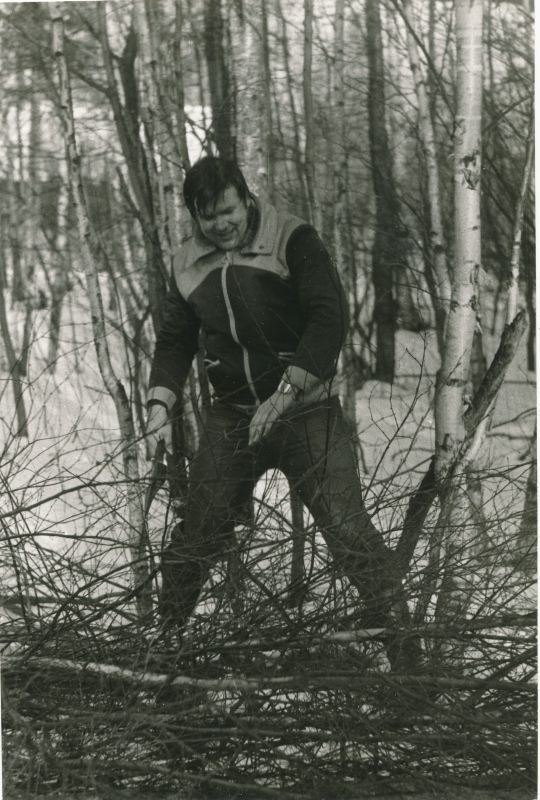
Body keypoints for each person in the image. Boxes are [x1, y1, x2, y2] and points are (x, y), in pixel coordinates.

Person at [146, 156, 415, 663]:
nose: (221, 225)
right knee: (199, 529)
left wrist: (285, 393)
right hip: (232, 414)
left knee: (344, 525)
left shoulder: (293, 238)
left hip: (304, 408)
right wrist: (161, 401)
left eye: (228, 210)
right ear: (194, 217)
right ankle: (166, 649)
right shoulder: (185, 262)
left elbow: (327, 319)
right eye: (208, 218)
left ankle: (405, 649)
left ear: (245, 198)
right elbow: (175, 340)